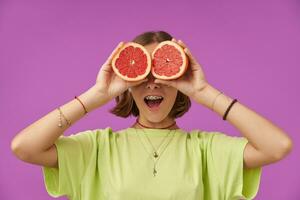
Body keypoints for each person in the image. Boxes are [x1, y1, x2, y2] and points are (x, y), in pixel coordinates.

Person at [11, 31, 293, 200]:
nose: (153, 82)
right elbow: (24, 147)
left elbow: (277, 146)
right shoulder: (98, 148)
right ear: (128, 83)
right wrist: (96, 95)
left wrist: (204, 91)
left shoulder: (205, 150)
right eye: (142, 74)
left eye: (163, 71)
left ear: (178, 80)